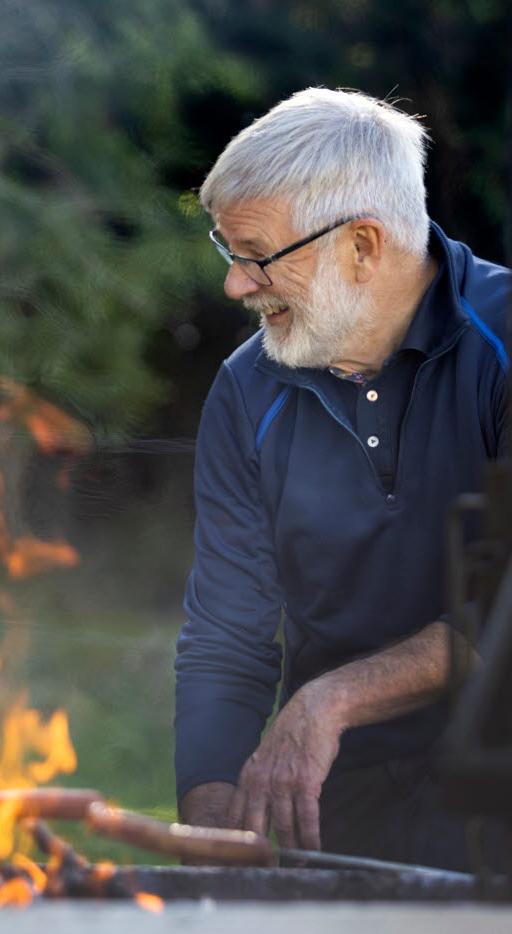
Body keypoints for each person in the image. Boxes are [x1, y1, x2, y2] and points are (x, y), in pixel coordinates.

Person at [174, 89, 508, 870]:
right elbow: (228, 631)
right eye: (229, 255)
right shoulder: (245, 387)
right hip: (334, 809)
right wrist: (209, 806)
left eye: (255, 255)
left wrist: (330, 701)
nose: (235, 285)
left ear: (362, 245)